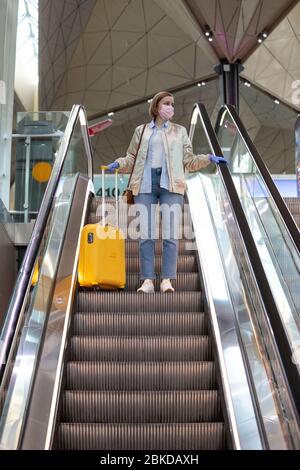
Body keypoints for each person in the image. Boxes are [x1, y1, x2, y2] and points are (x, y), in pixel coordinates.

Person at [107, 91, 227, 293]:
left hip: (171, 185)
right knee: (146, 234)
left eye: (172, 104)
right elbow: (131, 158)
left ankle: (166, 280)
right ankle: (147, 281)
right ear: (156, 107)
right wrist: (118, 163)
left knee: (171, 234)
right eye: (166, 103)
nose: (171, 107)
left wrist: (208, 158)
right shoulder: (142, 130)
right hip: (144, 184)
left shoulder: (179, 131)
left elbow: (189, 161)